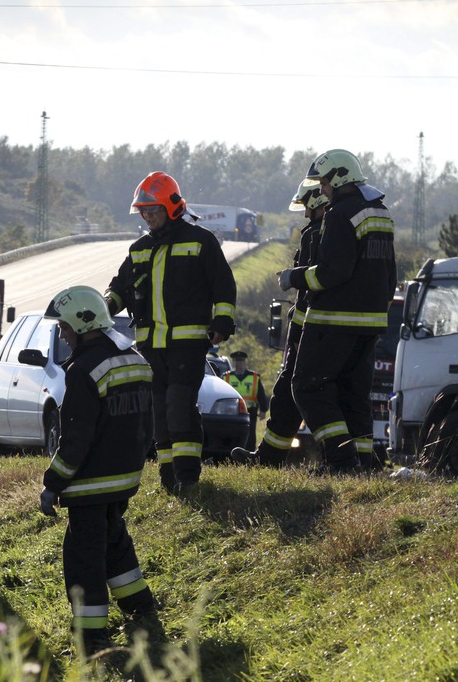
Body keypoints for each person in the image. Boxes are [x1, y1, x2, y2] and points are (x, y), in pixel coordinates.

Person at [38, 285, 160, 654]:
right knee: (114, 543)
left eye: (64, 328)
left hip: (89, 485)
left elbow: (75, 440)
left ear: (80, 323)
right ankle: (140, 606)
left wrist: (52, 484)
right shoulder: (135, 359)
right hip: (124, 479)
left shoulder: (83, 371)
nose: (63, 334)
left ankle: (92, 638)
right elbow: (147, 428)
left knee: (84, 561)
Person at [105, 171, 237, 493]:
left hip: (188, 346)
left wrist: (221, 324)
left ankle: (188, 477)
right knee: (160, 415)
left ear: (172, 207)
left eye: (153, 211)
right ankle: (168, 481)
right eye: (144, 212)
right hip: (150, 347)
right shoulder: (139, 249)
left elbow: (223, 285)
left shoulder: (200, 241)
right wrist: (106, 304)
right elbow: (120, 288)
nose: (148, 217)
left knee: (179, 407)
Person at [279, 149, 396, 473]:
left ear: (339, 177)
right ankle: (364, 464)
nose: (323, 190)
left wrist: (294, 277)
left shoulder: (341, 213)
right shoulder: (380, 212)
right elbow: (390, 274)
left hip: (334, 320)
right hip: (371, 324)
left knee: (307, 386)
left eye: (325, 183)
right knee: (353, 395)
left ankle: (342, 462)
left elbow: (332, 272)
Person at [232, 180, 327, 467]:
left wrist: (293, 278)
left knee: (304, 393)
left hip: (314, 331)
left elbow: (316, 285)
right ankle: (268, 458)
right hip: (307, 328)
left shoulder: (321, 233)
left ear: (319, 202)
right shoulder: (317, 231)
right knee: (286, 395)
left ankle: (339, 460)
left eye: (309, 207)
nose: (306, 214)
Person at [222, 351, 268, 451]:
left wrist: (263, 410)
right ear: (233, 363)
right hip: (231, 412)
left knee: (250, 435)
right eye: (237, 361)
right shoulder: (226, 377)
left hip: (250, 411)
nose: (239, 363)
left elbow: (261, 394)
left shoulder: (254, 377)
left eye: (241, 361)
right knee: (230, 433)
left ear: (245, 362)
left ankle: (249, 453)